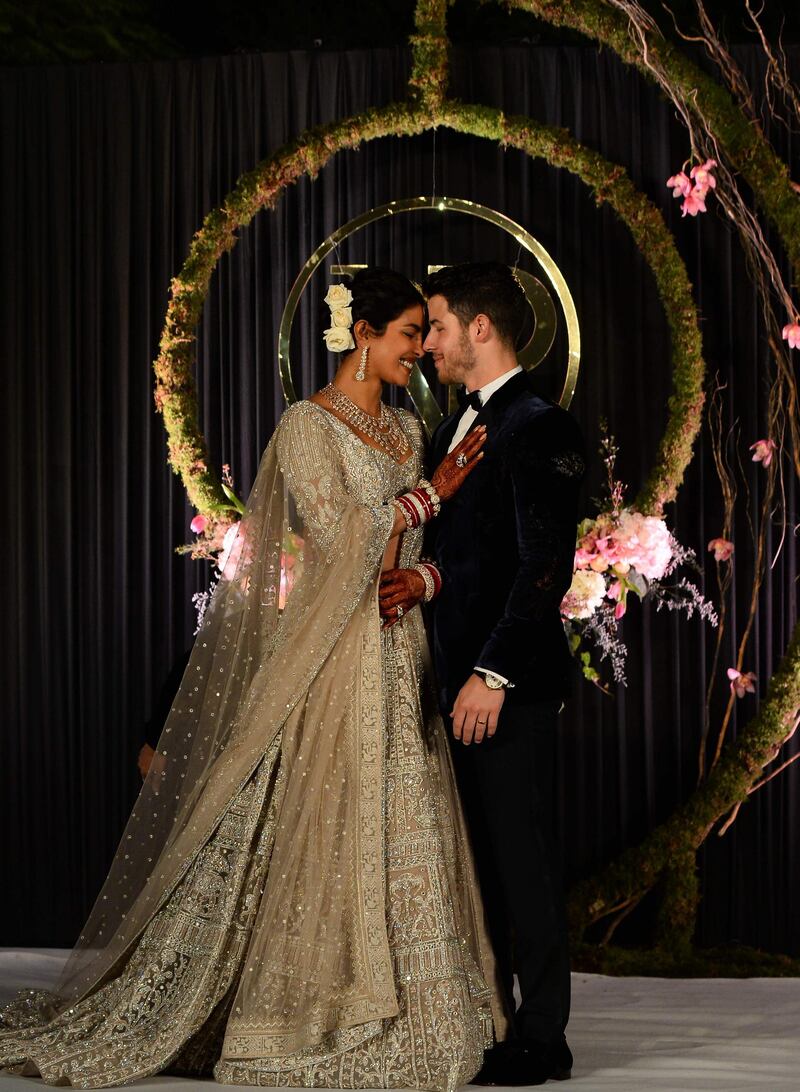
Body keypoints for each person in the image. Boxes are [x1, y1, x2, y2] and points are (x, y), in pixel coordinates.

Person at [0, 268, 507, 1090]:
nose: (421, 349)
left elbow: (409, 557)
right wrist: (426, 501)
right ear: (365, 335)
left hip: (399, 647)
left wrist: (425, 565)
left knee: (409, 817)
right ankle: (317, 1009)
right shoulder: (308, 427)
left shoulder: (410, 430)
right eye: (411, 333)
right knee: (332, 819)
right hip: (335, 656)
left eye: (425, 333)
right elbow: (341, 542)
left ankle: (426, 1012)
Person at [380, 262, 585, 1086]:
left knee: (522, 861)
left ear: (480, 329)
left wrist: (491, 674)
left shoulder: (540, 426)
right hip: (452, 682)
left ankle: (544, 1038)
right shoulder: (460, 426)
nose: (427, 342)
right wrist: (426, 582)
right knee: (486, 863)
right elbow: (471, 556)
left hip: (507, 690)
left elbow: (544, 569)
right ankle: (502, 1020)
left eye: (435, 326)